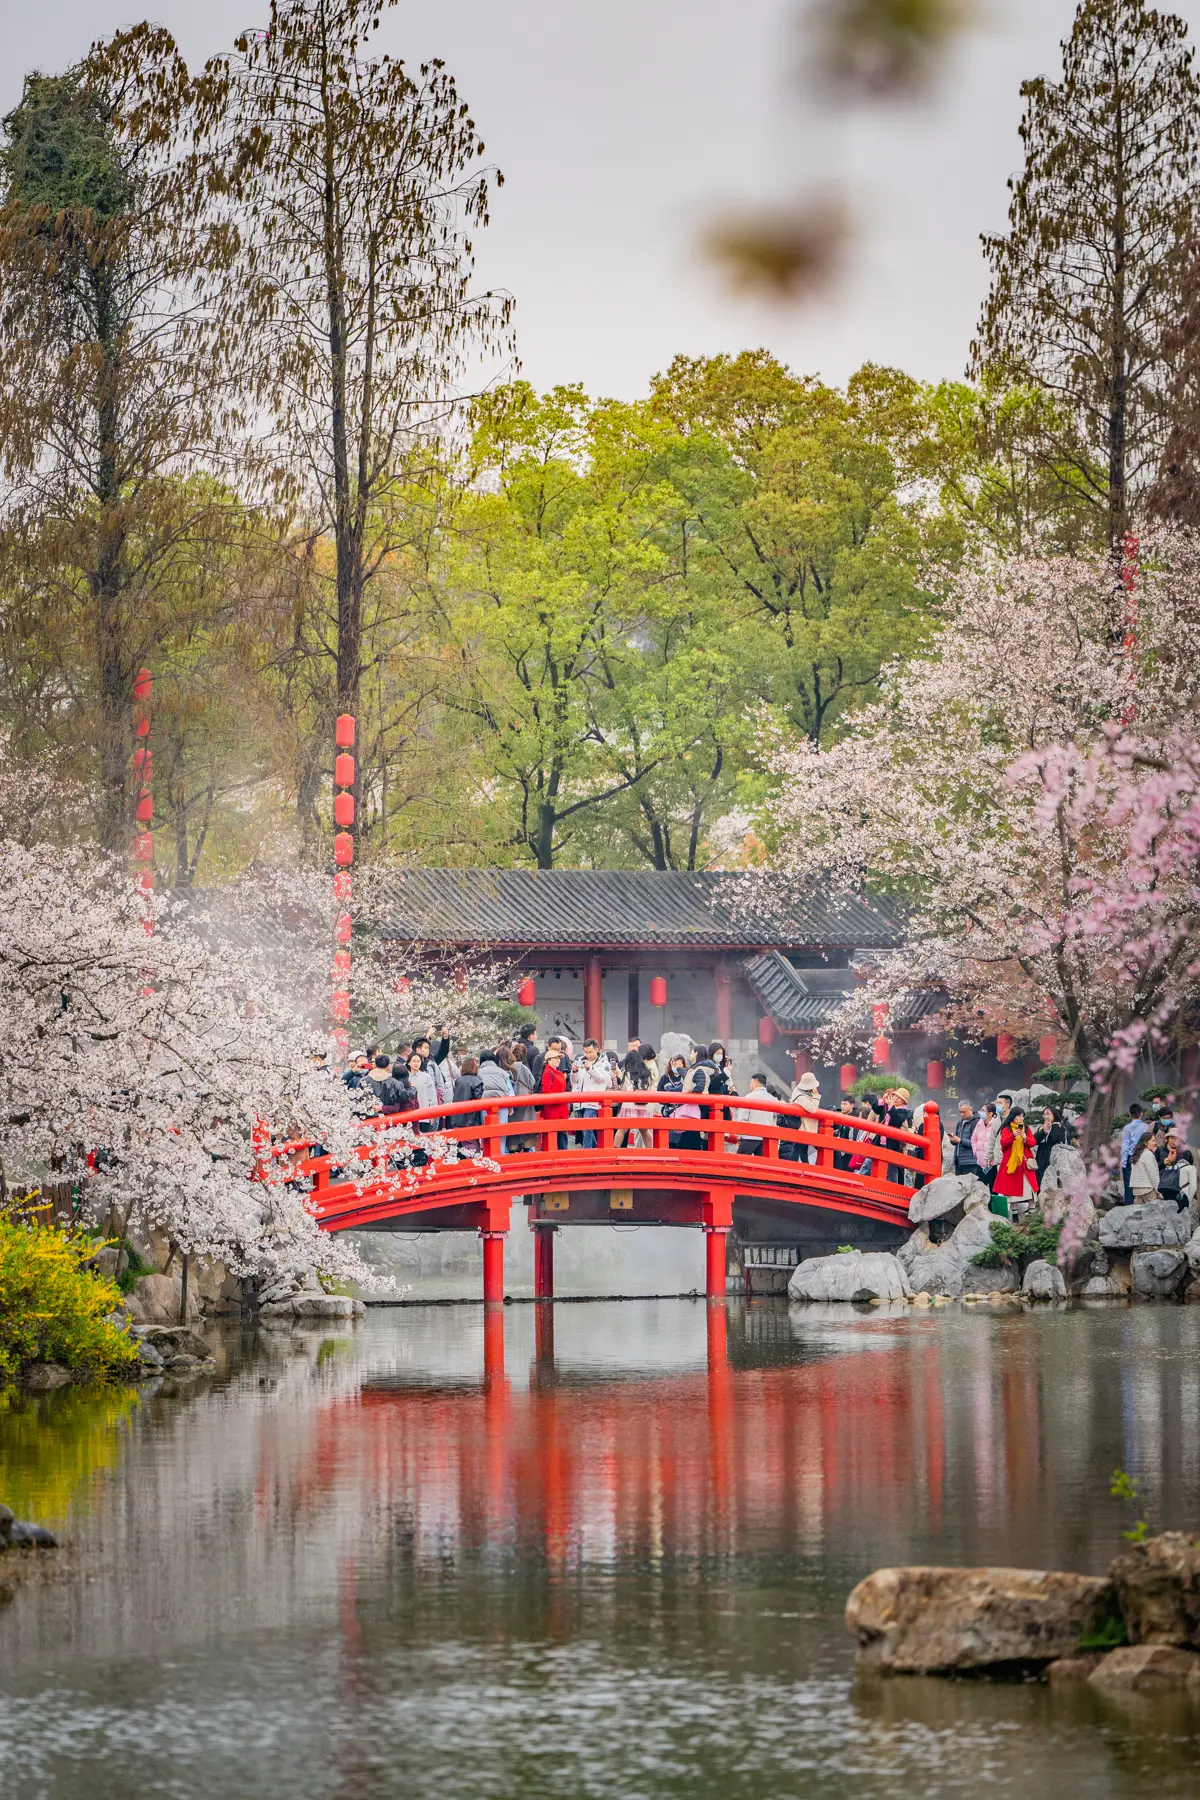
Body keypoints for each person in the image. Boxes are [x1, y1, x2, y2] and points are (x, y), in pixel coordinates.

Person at [992, 1105, 1038, 1218]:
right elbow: (1003, 1143)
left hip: (1025, 1163)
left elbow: (1033, 1142)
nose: (1022, 1118)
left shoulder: (1026, 1129)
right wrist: (1013, 1135)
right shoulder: (1006, 1129)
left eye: (1023, 1116)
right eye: (1019, 1116)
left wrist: (1024, 1138)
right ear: (1013, 1117)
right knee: (1012, 1191)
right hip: (1011, 1164)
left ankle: (1032, 1212)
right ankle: (1015, 1215)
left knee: (1030, 1189)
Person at [572, 1038, 613, 1149]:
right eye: (586, 1052)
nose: (588, 1055)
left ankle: (587, 1152)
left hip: (593, 1100)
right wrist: (575, 1071)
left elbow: (603, 1079)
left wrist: (590, 1068)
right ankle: (595, 1150)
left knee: (587, 1127)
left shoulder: (604, 1063)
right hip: (580, 1098)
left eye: (590, 1052)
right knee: (583, 1128)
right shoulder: (580, 1060)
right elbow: (574, 1080)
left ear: (597, 1050)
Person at [616, 1052, 658, 1148]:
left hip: (629, 1104)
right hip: (644, 1105)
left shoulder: (627, 1073)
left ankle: (615, 1150)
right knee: (644, 1130)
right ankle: (650, 1152)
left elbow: (623, 1089)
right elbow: (652, 1089)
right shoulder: (648, 1072)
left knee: (622, 1129)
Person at [783, 1069, 822, 1164]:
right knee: (798, 1148)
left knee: (802, 1148)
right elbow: (812, 1108)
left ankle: (803, 1166)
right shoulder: (800, 1096)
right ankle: (792, 1168)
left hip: (804, 1126)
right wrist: (816, 1096)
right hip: (803, 1126)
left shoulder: (800, 1091)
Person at [733, 1072, 774, 1156]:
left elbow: (742, 1120)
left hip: (750, 1137)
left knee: (740, 1163)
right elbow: (774, 1121)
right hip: (766, 1139)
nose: (750, 1085)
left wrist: (739, 1136)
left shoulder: (749, 1098)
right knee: (761, 1166)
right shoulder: (773, 1100)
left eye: (751, 1083)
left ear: (756, 1083)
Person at [507, 1042, 539, 1152]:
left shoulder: (508, 1068)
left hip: (512, 1102)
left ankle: (512, 1151)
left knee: (513, 1131)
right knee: (526, 1130)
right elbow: (532, 1082)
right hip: (525, 1101)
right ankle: (526, 1151)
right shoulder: (524, 1068)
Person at [539, 1043, 571, 1149]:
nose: (558, 1060)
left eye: (559, 1058)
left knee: (561, 1135)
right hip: (553, 1108)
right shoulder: (548, 1072)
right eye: (555, 1058)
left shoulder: (557, 1072)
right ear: (548, 1060)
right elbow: (546, 1091)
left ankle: (562, 1155)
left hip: (561, 1108)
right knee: (552, 1135)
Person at [450, 1055, 485, 1154]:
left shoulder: (459, 1080)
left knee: (460, 1142)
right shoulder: (477, 1081)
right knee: (472, 1142)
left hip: (457, 1115)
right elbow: (479, 1098)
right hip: (471, 1117)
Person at [1120, 1103, 1151, 1206]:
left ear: (1129, 1114)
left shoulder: (1127, 1128)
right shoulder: (1147, 1127)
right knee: (1143, 1181)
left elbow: (1125, 1146)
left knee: (1129, 1183)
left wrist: (1123, 1163)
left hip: (1131, 1156)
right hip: (1144, 1155)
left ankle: (1129, 1205)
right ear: (1141, 1114)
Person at [404, 1051, 439, 1127]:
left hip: (424, 1114)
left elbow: (432, 1097)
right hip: (409, 1115)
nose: (416, 1063)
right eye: (413, 1061)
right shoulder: (405, 1078)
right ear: (409, 1063)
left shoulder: (426, 1077)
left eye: (418, 1061)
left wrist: (433, 1113)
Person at [1129, 1126, 1163, 1202]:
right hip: (1148, 1189)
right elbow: (1153, 1175)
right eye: (1153, 1141)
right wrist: (1159, 1190)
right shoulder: (1148, 1154)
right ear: (1145, 1142)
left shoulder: (1137, 1154)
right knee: (1154, 1212)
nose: (1155, 1143)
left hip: (1137, 1189)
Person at [1034, 1105, 1066, 1183]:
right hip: (1040, 1157)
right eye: (1044, 1114)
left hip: (1052, 1157)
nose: (1046, 1116)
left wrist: (1054, 1126)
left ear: (1054, 1115)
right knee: (1039, 1179)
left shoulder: (1059, 1127)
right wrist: (1042, 1131)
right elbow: (1034, 1141)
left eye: (1048, 1114)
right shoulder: (1041, 1127)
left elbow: (1055, 1139)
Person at [951, 1099, 981, 1177]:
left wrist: (960, 1141)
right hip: (959, 1161)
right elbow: (957, 1140)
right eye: (960, 1112)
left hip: (970, 1161)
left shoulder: (977, 1122)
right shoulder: (960, 1122)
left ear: (971, 1109)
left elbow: (976, 1143)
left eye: (964, 1112)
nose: (961, 1114)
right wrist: (953, 1139)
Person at [973, 1102, 999, 1188]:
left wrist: (993, 1158)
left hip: (992, 1164)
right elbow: (973, 1139)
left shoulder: (996, 1124)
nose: (981, 1112)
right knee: (979, 1188)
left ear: (990, 1113)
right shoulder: (980, 1122)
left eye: (983, 1110)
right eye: (981, 1110)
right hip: (980, 1162)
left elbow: (997, 1143)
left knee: (993, 1188)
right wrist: (976, 1152)